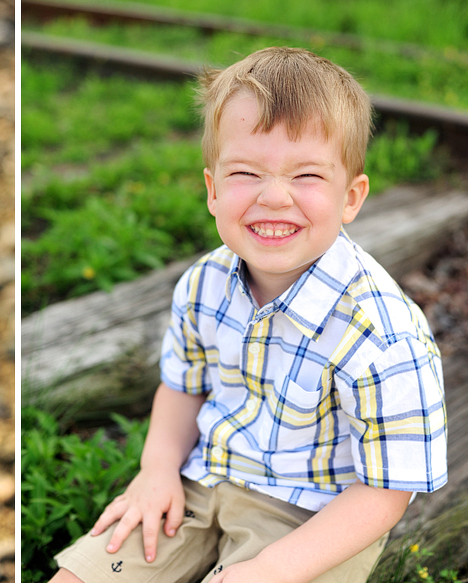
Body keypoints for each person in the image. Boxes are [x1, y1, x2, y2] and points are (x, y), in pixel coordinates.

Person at [49, 47, 447, 583]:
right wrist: (157, 469)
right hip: (203, 479)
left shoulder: (383, 335)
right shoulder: (204, 284)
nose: (275, 197)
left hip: (315, 518)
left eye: (306, 175)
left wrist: (274, 568)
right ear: (212, 190)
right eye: (246, 172)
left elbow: (386, 491)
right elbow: (182, 386)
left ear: (350, 197)